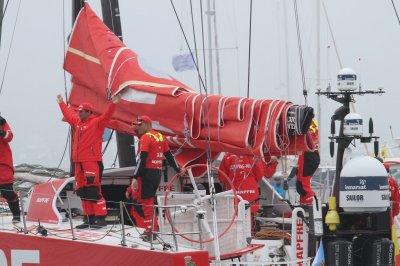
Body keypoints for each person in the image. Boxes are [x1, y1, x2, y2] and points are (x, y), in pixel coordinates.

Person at [57, 94, 121, 229]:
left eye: (81, 111)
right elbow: (69, 116)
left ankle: (100, 218)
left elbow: (107, 116)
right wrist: (61, 103)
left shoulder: (97, 123)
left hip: (91, 161)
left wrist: (113, 103)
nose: (79, 114)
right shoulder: (78, 123)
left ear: (88, 112)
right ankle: (88, 218)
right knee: (82, 191)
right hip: (78, 163)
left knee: (93, 190)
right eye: (78, 111)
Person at [125, 115, 181, 242]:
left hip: (146, 174)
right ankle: (152, 229)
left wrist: (135, 177)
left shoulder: (146, 137)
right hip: (157, 174)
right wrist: (178, 169)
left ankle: (150, 232)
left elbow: (142, 159)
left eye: (139, 125)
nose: (137, 128)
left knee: (146, 204)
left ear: (146, 125)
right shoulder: (160, 136)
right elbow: (169, 156)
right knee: (148, 202)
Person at [219, 153, 265, 232]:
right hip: (250, 194)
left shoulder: (228, 156)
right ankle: (249, 238)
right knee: (249, 220)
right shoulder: (254, 155)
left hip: (234, 194)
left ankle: (236, 239)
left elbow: (222, 177)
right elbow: (260, 175)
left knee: (233, 221)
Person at [0, 115, 20, 223]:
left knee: (7, 192)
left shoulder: (2, 122)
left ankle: (16, 215)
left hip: (3, 164)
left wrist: (2, 132)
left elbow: (10, 137)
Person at [296, 118, 320, 205]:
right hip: (313, 154)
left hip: (307, 154)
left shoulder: (305, 122)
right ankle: (304, 205)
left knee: (303, 187)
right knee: (300, 186)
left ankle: (313, 205)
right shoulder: (313, 122)